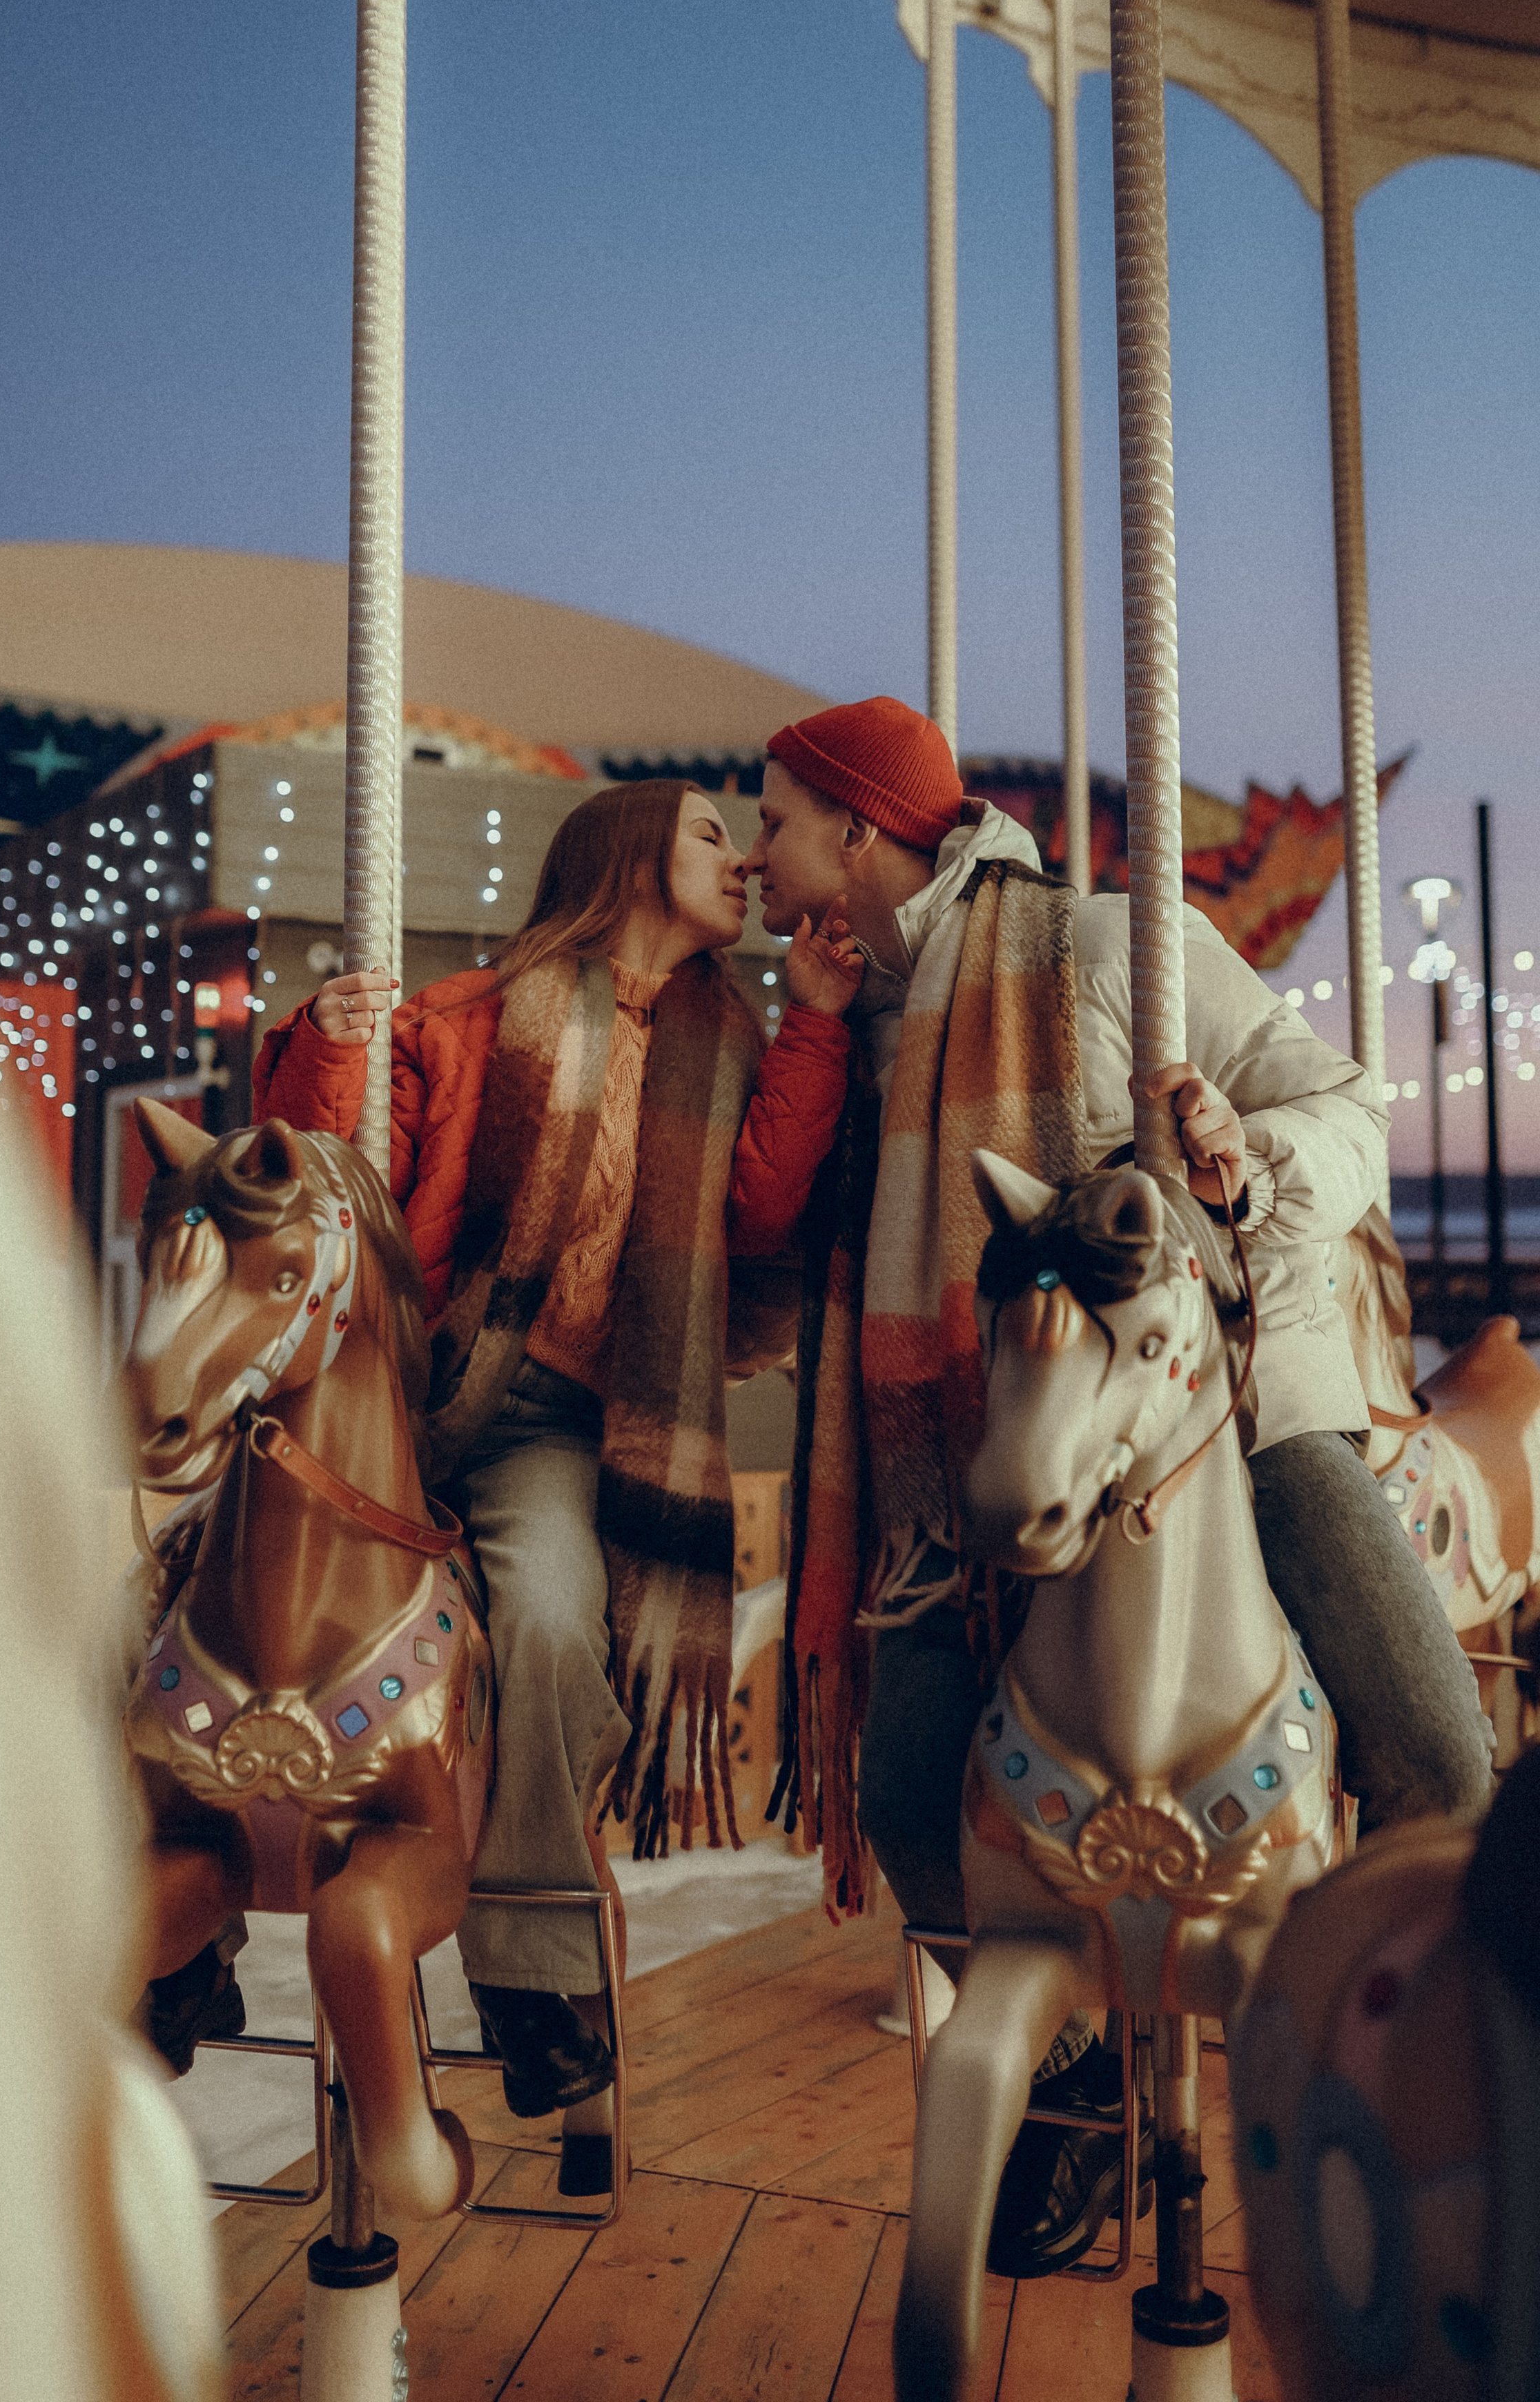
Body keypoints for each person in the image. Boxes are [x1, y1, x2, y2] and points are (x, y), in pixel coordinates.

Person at [745, 695, 1493, 2276]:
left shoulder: (1098, 949)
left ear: (858, 834)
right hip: (982, 1454)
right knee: (901, 1792)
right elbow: (770, 1256)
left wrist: (1240, 1154)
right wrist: (807, 1029)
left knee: (1433, 1752)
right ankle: (1078, 2091)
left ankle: (1426, 2112)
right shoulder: (857, 1019)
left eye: (774, 822)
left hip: (1215, 1418)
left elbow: (1343, 1103)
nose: (757, 852)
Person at [251, 778, 860, 2129]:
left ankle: (526, 1975)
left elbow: (764, 1204)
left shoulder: (725, 1039)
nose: (741, 862)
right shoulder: (468, 1017)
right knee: (214, 1539)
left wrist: (815, 1022)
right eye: (712, 835)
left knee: (542, 1619)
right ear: (631, 857)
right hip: (419, 1384)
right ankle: (184, 1932)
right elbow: (335, 1166)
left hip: (564, 1421)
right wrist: (324, 1043)